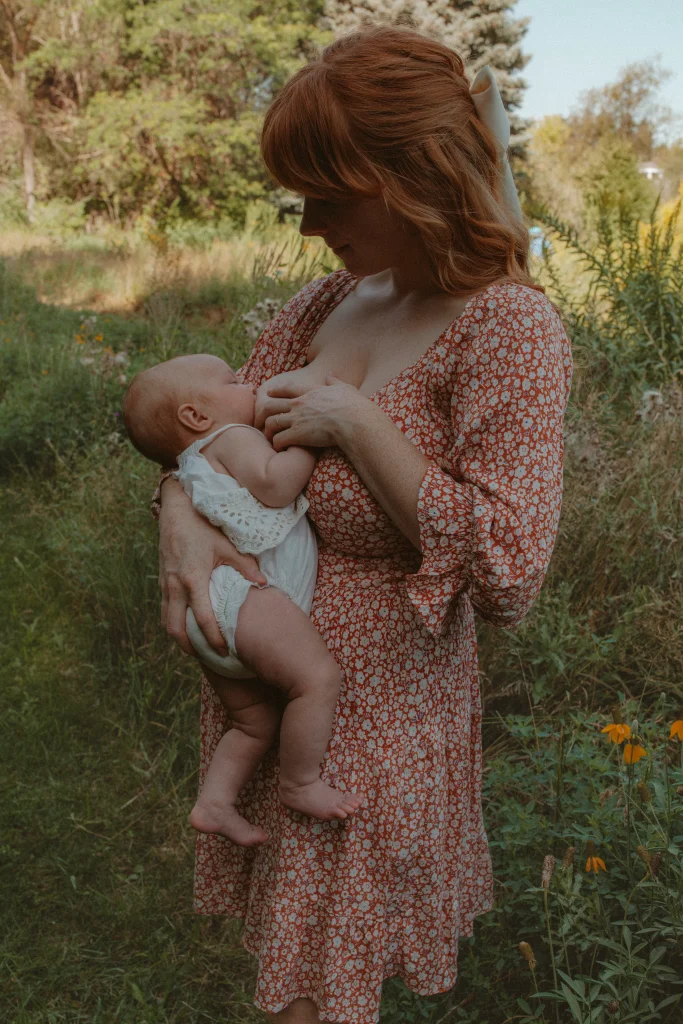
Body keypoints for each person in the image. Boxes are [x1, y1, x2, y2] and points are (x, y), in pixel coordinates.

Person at [153, 25, 573, 1024]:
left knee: (315, 995)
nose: (305, 228)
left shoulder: (507, 328)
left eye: (326, 198)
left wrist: (355, 424)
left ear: (408, 176)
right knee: (297, 977)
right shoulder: (324, 303)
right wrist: (175, 512)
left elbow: (509, 570)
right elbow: (205, 442)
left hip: (374, 720)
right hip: (280, 691)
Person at [123, 353, 366, 846]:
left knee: (254, 722)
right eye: (234, 380)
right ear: (196, 417)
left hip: (207, 612)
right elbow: (275, 485)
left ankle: (215, 801)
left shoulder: (191, 464)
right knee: (317, 678)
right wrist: (310, 438)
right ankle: (299, 782)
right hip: (245, 600)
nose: (250, 383)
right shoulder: (231, 438)